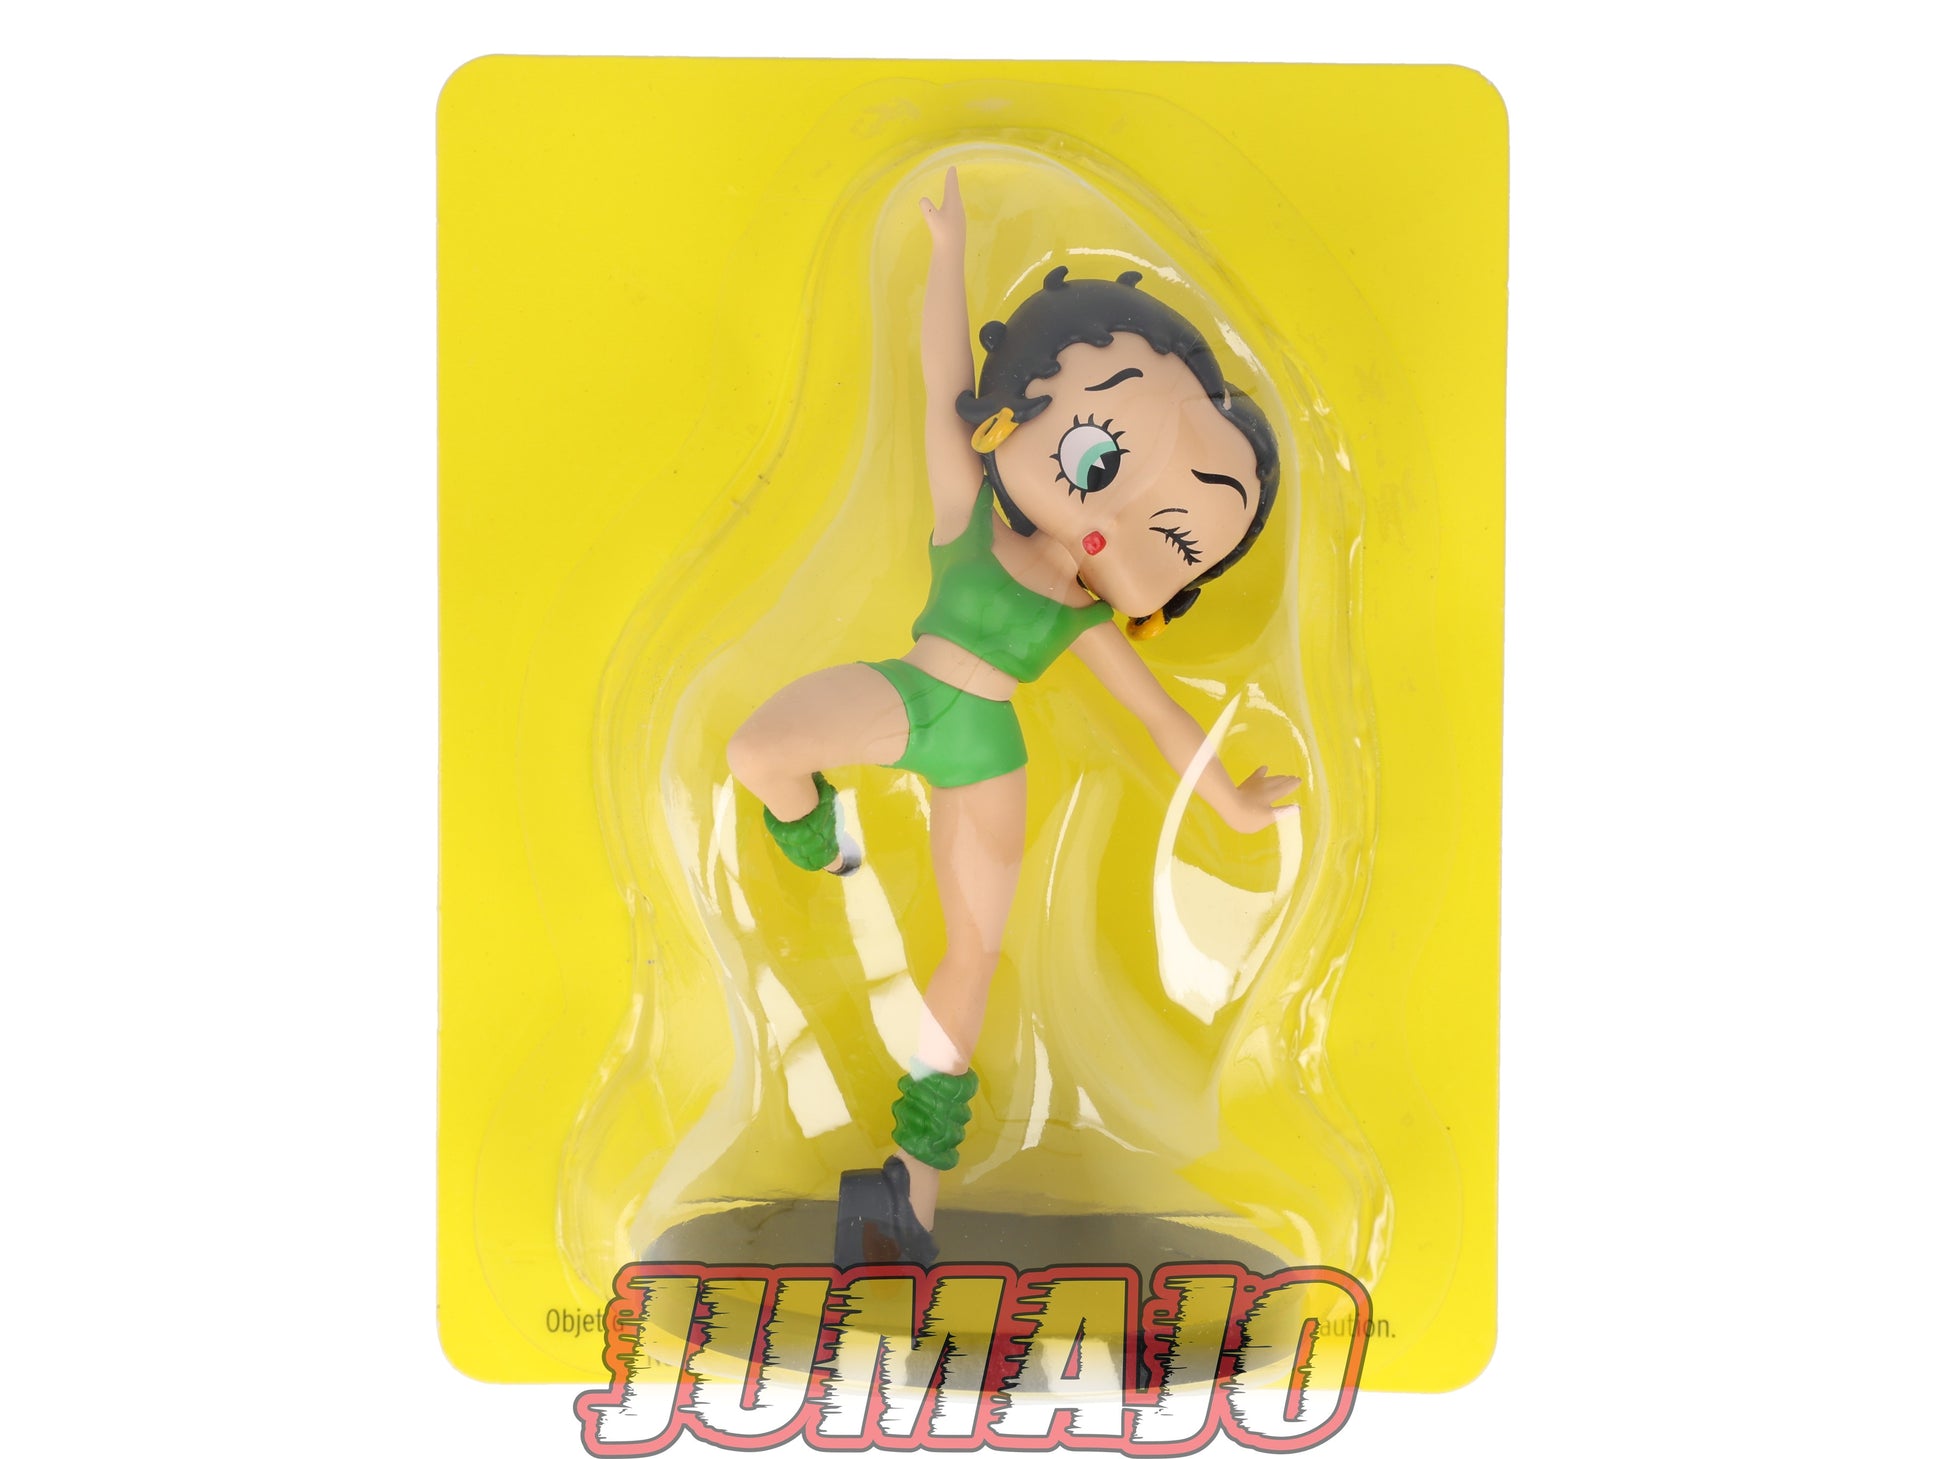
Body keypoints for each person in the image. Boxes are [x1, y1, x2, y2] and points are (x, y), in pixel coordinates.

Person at [725, 168, 1298, 1264]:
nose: (1111, 524)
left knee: (972, 955)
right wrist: (948, 256)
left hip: (986, 750)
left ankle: (912, 1183)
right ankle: (816, 838)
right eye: (1099, 459)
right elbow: (941, 378)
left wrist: (1229, 800)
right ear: (1024, 413)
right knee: (759, 748)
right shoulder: (969, 519)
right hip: (907, 696)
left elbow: (1159, 717)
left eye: (1176, 539)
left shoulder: (1081, 618)